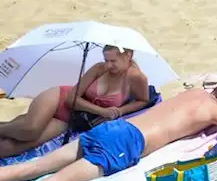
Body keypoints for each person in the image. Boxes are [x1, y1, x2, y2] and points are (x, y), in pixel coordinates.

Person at [0, 81, 217, 181]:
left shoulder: (196, 92)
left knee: (29, 168)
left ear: (216, 90)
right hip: (126, 145)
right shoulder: (216, 112)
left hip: (114, 128)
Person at [0, 46, 150, 157]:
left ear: (128, 55)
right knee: (30, 130)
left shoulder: (137, 78)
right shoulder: (99, 68)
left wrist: (120, 111)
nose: (108, 65)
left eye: (113, 61)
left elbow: (143, 100)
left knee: (9, 148)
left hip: (70, 119)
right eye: (106, 60)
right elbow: (72, 99)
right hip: (60, 99)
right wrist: (102, 111)